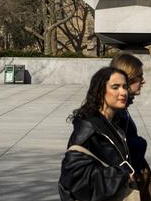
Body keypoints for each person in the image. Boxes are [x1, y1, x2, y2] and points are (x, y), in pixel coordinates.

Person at [58, 67, 139, 201]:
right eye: (115, 87)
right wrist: (122, 175)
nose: (123, 92)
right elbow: (75, 179)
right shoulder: (88, 129)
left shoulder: (115, 123)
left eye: (125, 87)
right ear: (100, 91)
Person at [110, 54, 151, 201]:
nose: (143, 81)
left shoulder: (122, 109)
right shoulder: (114, 113)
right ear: (128, 79)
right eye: (139, 77)